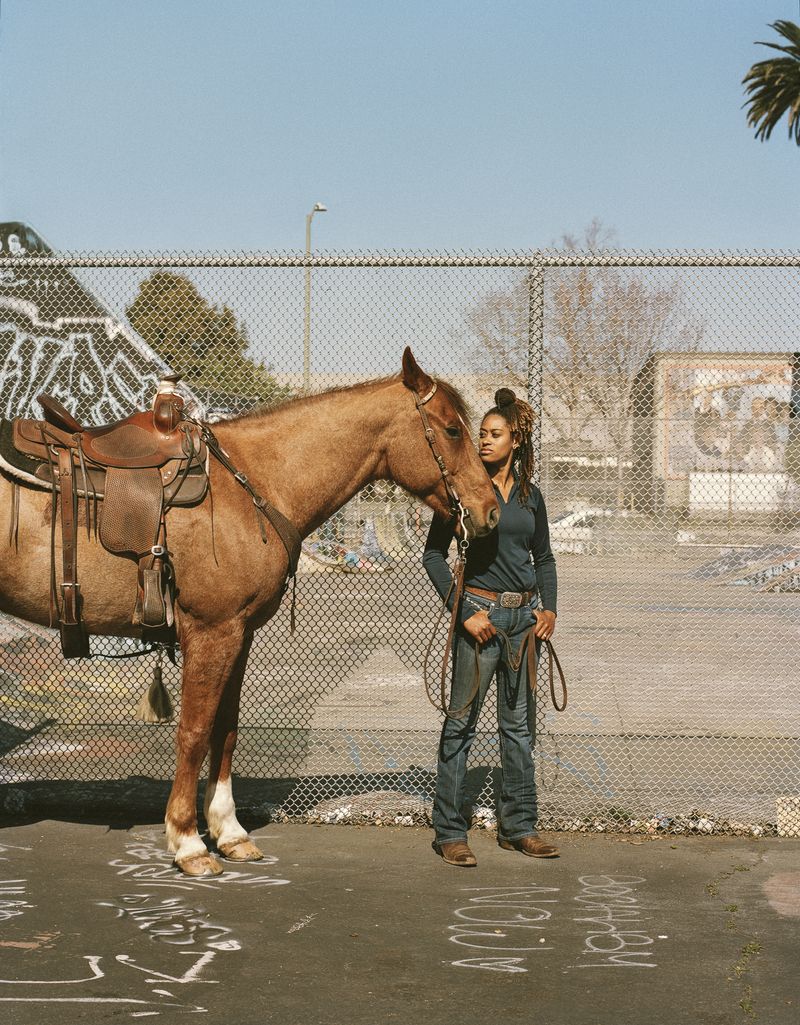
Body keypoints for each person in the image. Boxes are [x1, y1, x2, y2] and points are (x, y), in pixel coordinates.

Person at [423, 388, 559, 867]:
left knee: (518, 730)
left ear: (516, 440)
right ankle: (449, 832)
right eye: (481, 434)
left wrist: (549, 610)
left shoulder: (530, 498)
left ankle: (519, 828)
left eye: (494, 434)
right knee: (460, 725)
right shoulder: (464, 491)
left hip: (524, 624)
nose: (483, 441)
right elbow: (433, 557)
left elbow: (543, 558)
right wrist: (464, 614)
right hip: (478, 620)